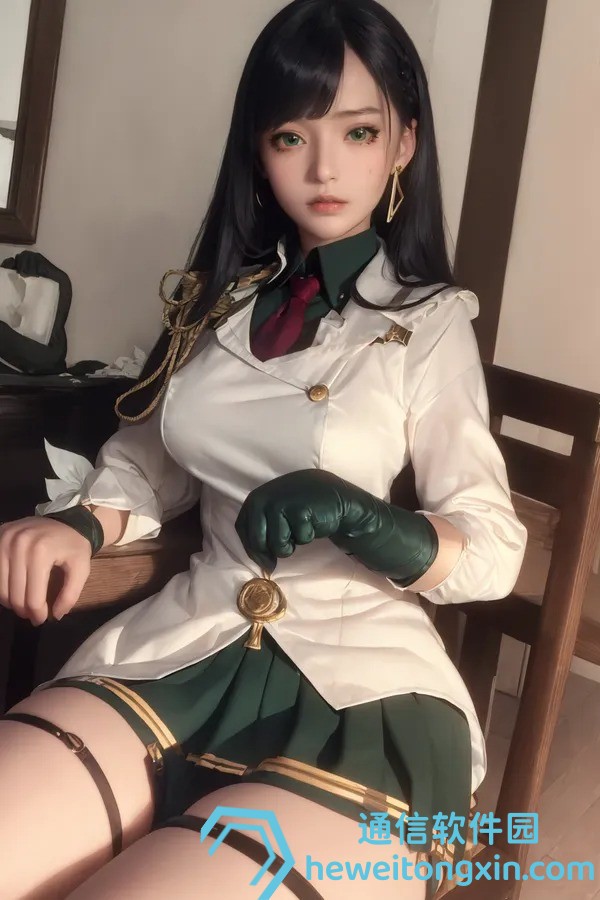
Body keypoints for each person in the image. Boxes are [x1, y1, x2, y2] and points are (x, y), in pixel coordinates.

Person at [0, 1, 527, 897]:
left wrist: (367, 520)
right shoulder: (217, 304)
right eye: (291, 136)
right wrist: (82, 524)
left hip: (361, 683)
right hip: (185, 645)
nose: (324, 168)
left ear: (404, 143)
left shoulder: (430, 325)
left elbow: (493, 547)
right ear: (258, 148)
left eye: (359, 132)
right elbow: (150, 461)